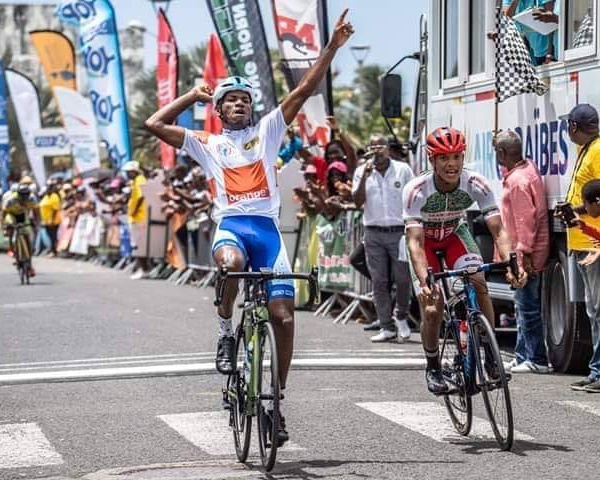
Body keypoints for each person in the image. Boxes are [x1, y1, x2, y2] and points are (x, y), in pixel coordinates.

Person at [144, 9, 355, 445]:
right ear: (219, 111)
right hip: (233, 228)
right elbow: (155, 124)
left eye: (244, 99)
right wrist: (191, 95)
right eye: (230, 101)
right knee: (232, 262)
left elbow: (303, 89)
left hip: (268, 232)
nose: (239, 104)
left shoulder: (268, 131)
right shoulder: (209, 144)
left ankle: (274, 402)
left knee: (284, 316)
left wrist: (331, 47)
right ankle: (225, 333)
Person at [403, 127, 523, 394]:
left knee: (479, 282)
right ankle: (433, 366)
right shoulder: (416, 190)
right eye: (444, 158)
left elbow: (498, 229)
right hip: (426, 243)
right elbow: (415, 241)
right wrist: (425, 281)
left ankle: (491, 358)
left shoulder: (475, 183)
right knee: (433, 307)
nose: (452, 164)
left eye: (457, 157)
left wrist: (511, 261)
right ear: (432, 160)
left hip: (455, 234)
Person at [495, 131, 550, 373]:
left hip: (524, 253)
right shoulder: (525, 170)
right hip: (521, 252)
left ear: (502, 153)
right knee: (520, 304)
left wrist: (523, 255)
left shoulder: (518, 181)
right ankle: (521, 355)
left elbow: (525, 220)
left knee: (527, 306)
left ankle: (536, 359)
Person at [352, 134, 414, 343]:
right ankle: (386, 326)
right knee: (379, 281)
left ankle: (402, 316)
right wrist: (364, 177)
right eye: (373, 146)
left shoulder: (402, 169)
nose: (377, 149)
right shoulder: (362, 172)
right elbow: (358, 201)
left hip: (399, 232)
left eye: (381, 145)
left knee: (403, 278)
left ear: (388, 148)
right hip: (374, 233)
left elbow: (413, 196)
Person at [559, 104, 600, 393]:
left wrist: (575, 209)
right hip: (582, 241)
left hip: (592, 242)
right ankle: (596, 370)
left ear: (574, 126)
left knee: (598, 309)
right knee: (593, 309)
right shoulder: (586, 149)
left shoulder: (597, 151)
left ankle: (599, 373)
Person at [2, 180, 39, 276]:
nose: (24, 198)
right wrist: (4, 226)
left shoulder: (31, 199)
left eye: (26, 195)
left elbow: (36, 212)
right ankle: (13, 250)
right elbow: (4, 213)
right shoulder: (11, 200)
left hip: (23, 215)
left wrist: (36, 222)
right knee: (10, 226)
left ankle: (29, 265)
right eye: (22, 195)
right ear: (18, 194)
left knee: (27, 235)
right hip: (12, 214)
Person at [123, 161, 149, 279]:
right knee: (138, 244)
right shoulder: (136, 181)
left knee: (138, 245)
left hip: (139, 216)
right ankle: (143, 268)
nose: (127, 174)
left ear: (134, 171)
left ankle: (143, 269)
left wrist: (133, 210)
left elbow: (140, 197)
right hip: (136, 217)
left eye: (128, 172)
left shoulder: (139, 179)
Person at [38, 180, 62, 256]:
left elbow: (55, 209)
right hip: (46, 221)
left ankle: (53, 251)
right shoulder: (45, 196)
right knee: (50, 236)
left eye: (50, 187)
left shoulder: (54, 196)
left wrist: (52, 220)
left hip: (53, 220)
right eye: (48, 187)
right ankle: (52, 250)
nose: (48, 189)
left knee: (53, 236)